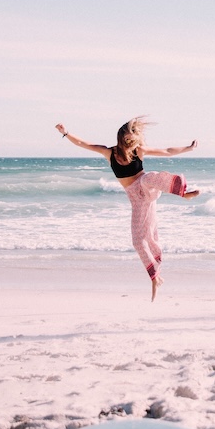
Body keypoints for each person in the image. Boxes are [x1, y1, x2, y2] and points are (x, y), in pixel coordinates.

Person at [55, 118, 199, 300]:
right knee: (138, 241)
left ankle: (182, 192)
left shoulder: (139, 151)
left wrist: (188, 148)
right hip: (137, 200)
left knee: (147, 178)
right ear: (122, 138)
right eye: (129, 139)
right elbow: (83, 143)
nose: (132, 143)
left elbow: (167, 151)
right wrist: (65, 133)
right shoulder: (109, 153)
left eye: (134, 139)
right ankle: (155, 276)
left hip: (148, 188)